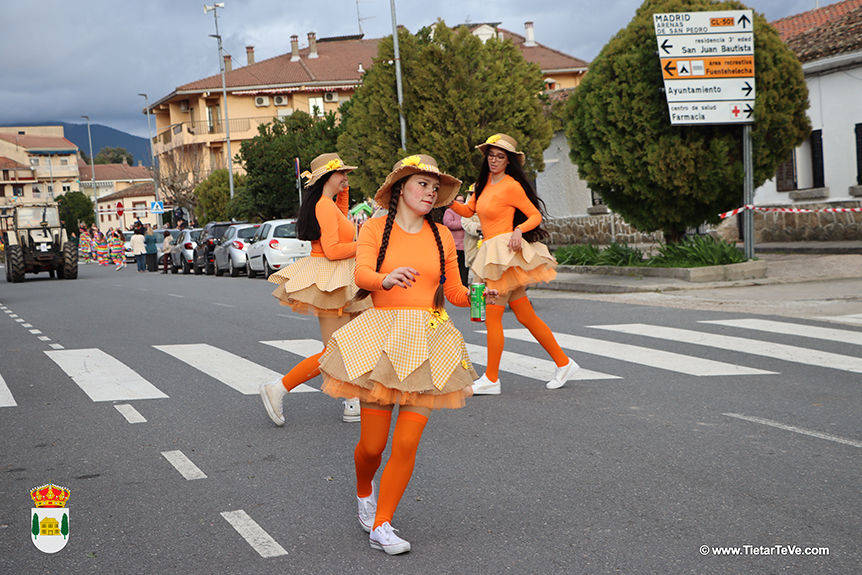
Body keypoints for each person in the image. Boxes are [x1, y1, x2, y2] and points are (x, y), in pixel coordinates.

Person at [317, 155, 497, 555]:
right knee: (372, 447)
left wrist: (479, 294)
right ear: (400, 188)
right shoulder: (374, 228)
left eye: (435, 187)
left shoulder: (441, 236)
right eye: (422, 184)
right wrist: (386, 279)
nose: (430, 193)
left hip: (428, 341)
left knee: (407, 442)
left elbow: (453, 291)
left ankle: (382, 523)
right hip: (382, 339)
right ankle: (364, 489)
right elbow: (361, 274)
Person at [448, 133, 579, 394]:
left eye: (500, 156)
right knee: (525, 315)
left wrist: (519, 230)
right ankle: (564, 363)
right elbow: (469, 210)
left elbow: (534, 215)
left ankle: (491, 379)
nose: (494, 160)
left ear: (508, 161)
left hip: (504, 253)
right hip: (493, 253)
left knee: (493, 317)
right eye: (491, 155)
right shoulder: (483, 183)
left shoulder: (512, 186)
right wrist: (446, 198)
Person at [259, 153, 372, 426]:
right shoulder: (323, 205)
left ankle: (352, 401)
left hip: (338, 277)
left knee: (353, 343)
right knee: (333, 350)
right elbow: (333, 250)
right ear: (326, 177)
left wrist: (344, 190)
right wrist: (367, 244)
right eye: (341, 173)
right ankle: (278, 388)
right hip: (330, 278)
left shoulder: (328, 203)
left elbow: (341, 217)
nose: (346, 177)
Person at [443, 193, 468, 286]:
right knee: (454, 268)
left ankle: (464, 286)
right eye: (459, 201)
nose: (461, 202)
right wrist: (464, 224)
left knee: (464, 269)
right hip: (455, 245)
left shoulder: (465, 212)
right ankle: (454, 286)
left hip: (465, 246)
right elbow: (448, 223)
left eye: (462, 201)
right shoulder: (449, 211)